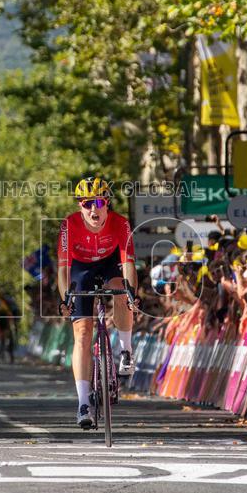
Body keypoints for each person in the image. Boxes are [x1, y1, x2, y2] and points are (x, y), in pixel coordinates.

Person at [56, 177, 138, 429]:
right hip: (80, 268)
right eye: (87, 203)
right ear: (80, 206)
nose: (94, 209)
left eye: (100, 202)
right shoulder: (69, 225)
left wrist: (132, 293)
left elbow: (128, 263)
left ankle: (126, 350)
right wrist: (65, 299)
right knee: (82, 333)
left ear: (107, 204)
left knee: (121, 291)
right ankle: (83, 404)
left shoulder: (120, 223)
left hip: (110, 263)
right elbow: (63, 268)